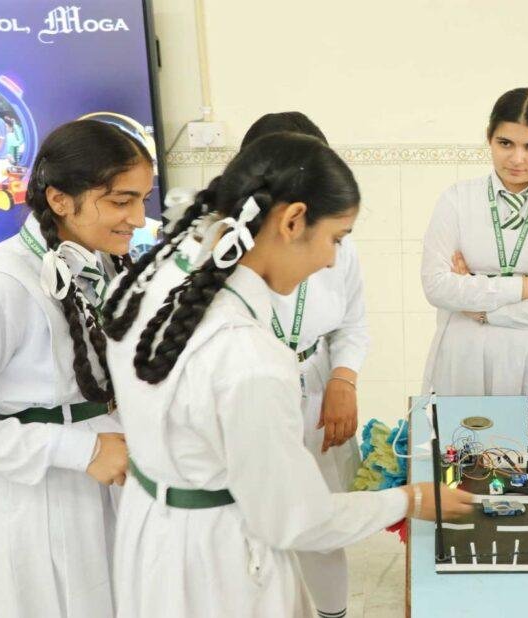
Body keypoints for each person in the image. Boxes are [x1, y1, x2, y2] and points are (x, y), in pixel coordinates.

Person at [102, 132, 473, 617]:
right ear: (293, 220)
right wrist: (409, 499)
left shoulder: (149, 281)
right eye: (335, 239)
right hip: (218, 564)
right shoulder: (250, 359)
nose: (331, 260)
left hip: (150, 533)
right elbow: (297, 519)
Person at [0, 119, 150, 617]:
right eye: (121, 201)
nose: (139, 219)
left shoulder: (101, 264)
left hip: (116, 480)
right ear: (60, 200)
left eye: (143, 199)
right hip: (43, 500)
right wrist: (80, 449)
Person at [163, 111, 369, 618]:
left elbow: (353, 323)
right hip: (249, 393)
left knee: (319, 522)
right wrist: (409, 500)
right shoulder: (211, 257)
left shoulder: (335, 244)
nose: (330, 256)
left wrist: (343, 379)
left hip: (316, 386)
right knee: (257, 521)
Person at [421, 87, 528, 395]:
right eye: (505, 143)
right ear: (489, 137)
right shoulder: (457, 200)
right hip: (465, 352)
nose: (517, 159)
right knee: (466, 428)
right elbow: (436, 287)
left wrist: (486, 312)